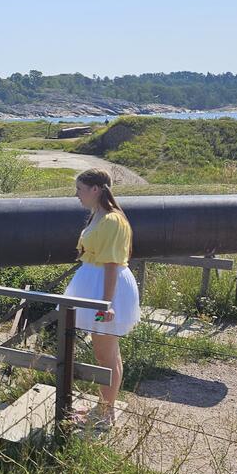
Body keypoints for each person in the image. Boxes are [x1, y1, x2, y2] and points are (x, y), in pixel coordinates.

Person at [62, 168, 141, 428]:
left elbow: (110, 264)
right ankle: (103, 407)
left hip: (105, 291)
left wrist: (105, 304)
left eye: (80, 189)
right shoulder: (99, 215)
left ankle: (105, 414)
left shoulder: (111, 220)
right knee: (107, 352)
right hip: (96, 286)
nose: (77, 195)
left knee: (104, 355)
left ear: (95, 189)